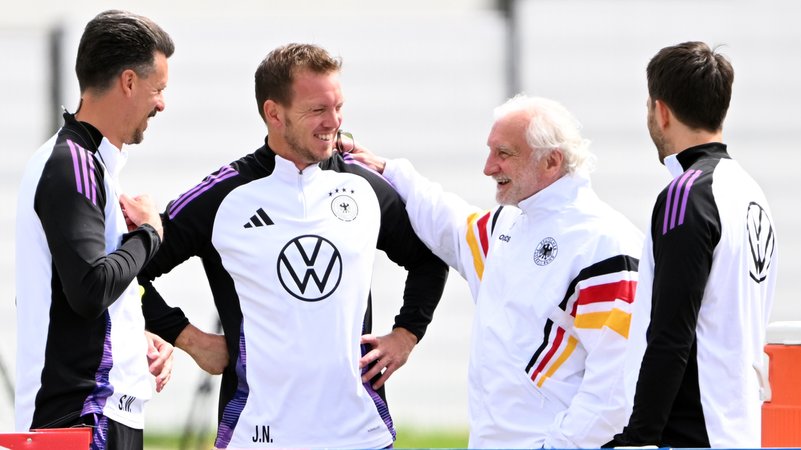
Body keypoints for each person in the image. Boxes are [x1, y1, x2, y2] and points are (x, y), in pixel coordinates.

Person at [138, 43, 448, 449]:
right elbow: (128, 273)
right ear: (274, 113)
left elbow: (429, 257)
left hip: (360, 435)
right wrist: (189, 338)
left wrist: (407, 333)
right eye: (318, 110)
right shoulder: (223, 196)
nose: (333, 122)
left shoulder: (364, 186)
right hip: (257, 436)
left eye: (338, 107)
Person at [347, 95, 644, 447]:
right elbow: (452, 226)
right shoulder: (510, 224)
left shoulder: (604, 244)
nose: (488, 167)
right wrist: (390, 172)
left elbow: (617, 382)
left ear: (551, 160)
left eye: (504, 154)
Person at [14, 10, 176, 450]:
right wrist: (150, 235)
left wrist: (132, 334)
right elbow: (89, 288)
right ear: (128, 82)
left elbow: (75, 292)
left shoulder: (94, 165)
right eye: (157, 89)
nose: (161, 104)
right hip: (77, 419)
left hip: (99, 413)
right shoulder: (75, 162)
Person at [606, 42, 778, 448]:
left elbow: (671, 331)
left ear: (661, 111)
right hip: (740, 428)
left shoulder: (687, 193)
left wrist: (640, 437)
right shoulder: (752, 195)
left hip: (689, 433)